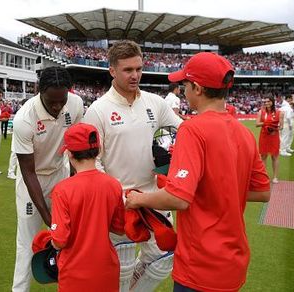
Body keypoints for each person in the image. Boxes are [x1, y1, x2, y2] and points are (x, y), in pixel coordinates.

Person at [125, 52, 271, 292]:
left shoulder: (193, 130)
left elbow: (178, 198)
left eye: (185, 84)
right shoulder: (243, 133)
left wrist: (139, 199)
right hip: (232, 262)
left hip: (199, 263)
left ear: (198, 88)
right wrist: (214, 190)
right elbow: (262, 191)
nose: (183, 89)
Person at [83, 40, 182, 292]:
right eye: (128, 70)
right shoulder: (98, 110)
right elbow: (92, 161)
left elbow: (183, 132)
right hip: (120, 200)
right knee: (122, 269)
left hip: (153, 197)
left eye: (138, 69)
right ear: (112, 71)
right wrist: (115, 194)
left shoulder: (155, 102)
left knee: (165, 259)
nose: (135, 75)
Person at [11, 67, 84, 292]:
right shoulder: (24, 119)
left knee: (70, 239)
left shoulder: (75, 103)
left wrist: (76, 184)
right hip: (33, 180)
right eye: (52, 102)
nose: (57, 107)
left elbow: (75, 148)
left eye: (61, 101)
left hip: (60, 174)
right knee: (27, 243)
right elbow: (28, 171)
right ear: (39, 91)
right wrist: (49, 218)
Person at [51, 122, 125, 291]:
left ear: (69, 153)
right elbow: (119, 228)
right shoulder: (113, 184)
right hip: (107, 269)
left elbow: (60, 240)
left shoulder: (63, 189)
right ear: (97, 151)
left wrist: (48, 240)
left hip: (75, 272)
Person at [256, 95, 283, 184]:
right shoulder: (261, 112)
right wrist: (267, 123)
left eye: (268, 101)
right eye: (265, 102)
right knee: (263, 156)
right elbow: (257, 124)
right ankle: (264, 176)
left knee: (274, 157)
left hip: (274, 136)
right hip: (264, 136)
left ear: (272, 102)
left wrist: (275, 128)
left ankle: (275, 177)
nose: (267, 103)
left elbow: (281, 127)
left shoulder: (280, 112)